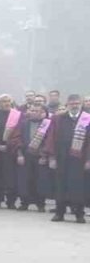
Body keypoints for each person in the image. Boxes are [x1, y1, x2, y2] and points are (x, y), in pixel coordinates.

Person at [43, 93, 89, 223]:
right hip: (61, 158)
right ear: (67, 104)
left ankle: (79, 214)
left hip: (79, 159)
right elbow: (50, 138)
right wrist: (51, 157)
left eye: (77, 103)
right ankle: (59, 212)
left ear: (81, 104)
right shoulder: (58, 119)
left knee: (78, 187)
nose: (74, 106)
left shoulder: (87, 118)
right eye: (72, 103)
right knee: (60, 185)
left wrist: (88, 160)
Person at [16, 97, 52, 212]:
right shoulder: (23, 124)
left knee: (40, 180)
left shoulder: (47, 125)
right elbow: (17, 139)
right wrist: (19, 154)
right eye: (32, 110)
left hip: (40, 157)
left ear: (42, 113)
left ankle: (40, 204)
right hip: (26, 156)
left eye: (37, 111)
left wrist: (44, 155)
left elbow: (50, 141)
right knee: (25, 180)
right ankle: (24, 203)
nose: (33, 113)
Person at [0, 94, 21, 209]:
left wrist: (8, 145)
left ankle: (11, 201)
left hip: (11, 151)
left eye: (8, 101)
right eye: (3, 101)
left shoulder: (17, 116)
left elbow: (18, 133)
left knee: (10, 176)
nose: (6, 103)